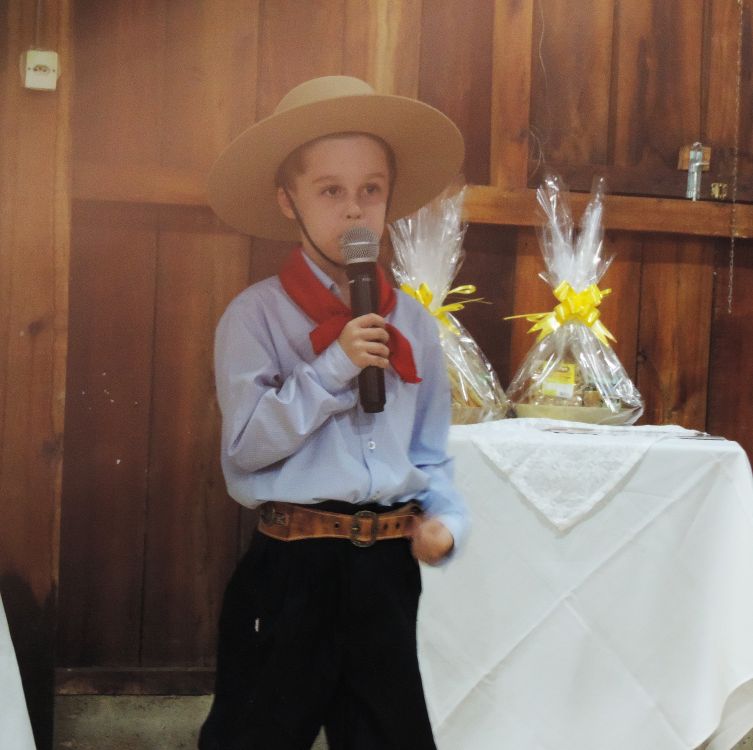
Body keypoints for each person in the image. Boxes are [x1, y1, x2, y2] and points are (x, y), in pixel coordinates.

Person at [199, 75, 469, 750]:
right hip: (293, 568)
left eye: (370, 190)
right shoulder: (255, 316)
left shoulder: (414, 323)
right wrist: (332, 368)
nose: (354, 210)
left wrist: (445, 518)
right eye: (329, 191)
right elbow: (246, 446)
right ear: (287, 200)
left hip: (387, 573)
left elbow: (430, 450)